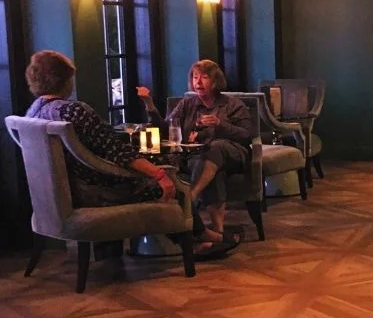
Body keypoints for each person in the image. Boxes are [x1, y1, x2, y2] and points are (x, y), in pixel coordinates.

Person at [21, 50, 234, 258]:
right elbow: (117, 151)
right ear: (65, 81)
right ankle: (198, 238)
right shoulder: (74, 111)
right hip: (98, 192)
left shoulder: (32, 113)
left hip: (64, 194)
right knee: (174, 184)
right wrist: (159, 174)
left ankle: (176, 240)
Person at [138, 60, 253, 240]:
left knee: (216, 146)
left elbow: (247, 135)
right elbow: (166, 129)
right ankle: (218, 234)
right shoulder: (187, 104)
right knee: (211, 168)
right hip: (200, 158)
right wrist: (149, 104)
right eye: (195, 77)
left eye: (204, 78)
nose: (198, 82)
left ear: (215, 82)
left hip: (233, 154)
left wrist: (220, 124)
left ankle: (190, 197)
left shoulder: (232, 104)